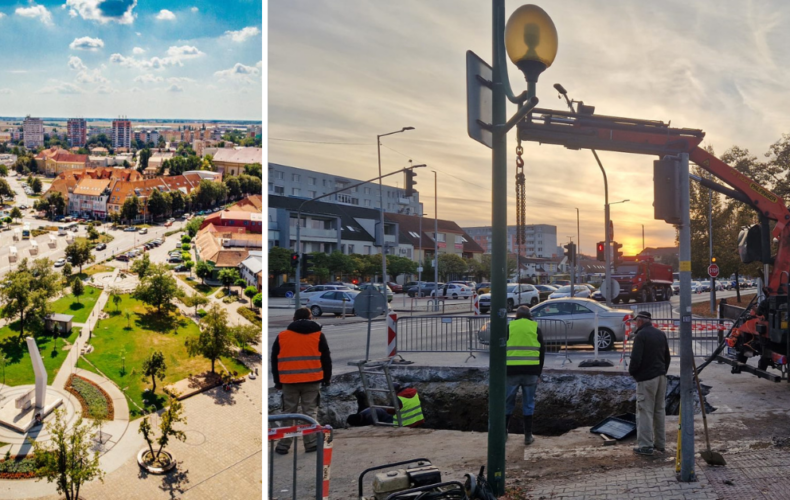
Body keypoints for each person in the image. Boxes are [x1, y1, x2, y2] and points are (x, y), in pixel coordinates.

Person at [271, 307, 332, 455]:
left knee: (288, 412)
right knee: (309, 413)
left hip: (289, 381)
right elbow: (326, 359)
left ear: (293, 319)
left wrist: (278, 382)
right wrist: (326, 379)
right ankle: (310, 444)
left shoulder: (282, 336)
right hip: (312, 380)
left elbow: (274, 360)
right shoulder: (318, 335)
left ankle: (283, 445)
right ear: (311, 318)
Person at [629, 311, 671, 456]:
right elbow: (667, 357)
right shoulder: (660, 334)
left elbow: (636, 359)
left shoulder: (641, 336)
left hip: (646, 379)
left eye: (636, 321)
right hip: (661, 377)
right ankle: (660, 443)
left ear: (640, 321)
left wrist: (634, 373)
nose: (635, 324)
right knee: (659, 410)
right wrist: (663, 371)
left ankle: (645, 446)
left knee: (645, 412)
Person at [505, 305, 545, 445]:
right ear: (529, 316)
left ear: (516, 316)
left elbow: (500, 348)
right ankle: (528, 436)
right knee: (528, 404)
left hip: (511, 371)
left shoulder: (509, 328)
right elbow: (542, 352)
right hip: (531, 372)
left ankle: (504, 432)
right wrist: (538, 372)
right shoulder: (535, 328)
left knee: (508, 402)